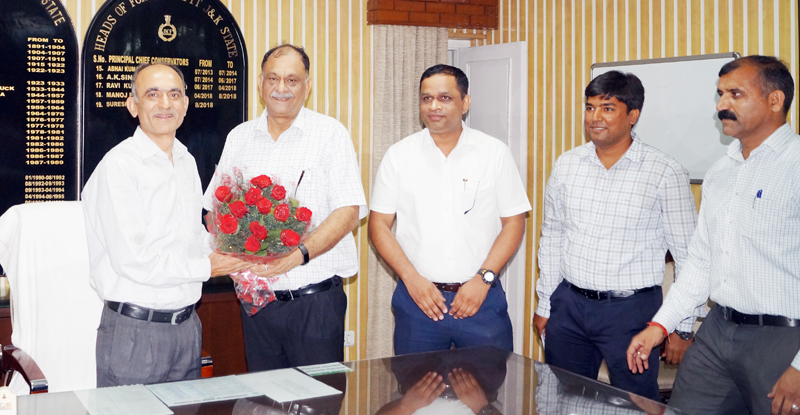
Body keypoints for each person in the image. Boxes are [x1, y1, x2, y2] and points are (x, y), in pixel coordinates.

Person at [627, 56, 800, 415]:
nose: (722, 105)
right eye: (720, 94)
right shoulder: (721, 172)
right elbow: (701, 262)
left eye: (735, 94)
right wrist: (660, 326)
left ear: (775, 100)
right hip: (718, 332)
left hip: (783, 339)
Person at [534, 70, 701, 400]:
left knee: (634, 402)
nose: (595, 117)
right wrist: (546, 304)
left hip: (631, 313)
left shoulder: (665, 171)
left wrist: (682, 327)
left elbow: (689, 257)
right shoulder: (566, 165)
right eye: (590, 107)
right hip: (568, 306)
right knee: (562, 397)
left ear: (633, 115)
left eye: (607, 108)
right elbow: (552, 236)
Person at [82, 63, 250, 387]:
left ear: (186, 104)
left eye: (174, 94)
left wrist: (231, 249)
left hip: (187, 328)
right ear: (133, 105)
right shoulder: (118, 167)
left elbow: (191, 234)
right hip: (136, 334)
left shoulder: (185, 161)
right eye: (152, 94)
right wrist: (208, 267)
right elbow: (133, 259)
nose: (165, 104)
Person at [203, 44, 367, 371]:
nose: (281, 88)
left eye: (292, 80)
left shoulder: (330, 134)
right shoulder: (239, 137)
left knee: (318, 402)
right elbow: (214, 211)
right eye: (273, 78)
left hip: (314, 304)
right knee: (265, 401)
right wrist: (239, 251)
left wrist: (296, 256)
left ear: (307, 86)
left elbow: (349, 212)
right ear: (261, 84)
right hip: (257, 302)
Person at [369, 64, 530, 355]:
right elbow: (378, 226)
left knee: (489, 394)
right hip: (419, 302)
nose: (433, 106)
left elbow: (514, 223)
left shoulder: (494, 153)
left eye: (445, 98)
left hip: (480, 300)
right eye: (426, 98)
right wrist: (412, 280)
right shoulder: (399, 156)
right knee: (417, 393)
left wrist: (483, 281)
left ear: (465, 102)